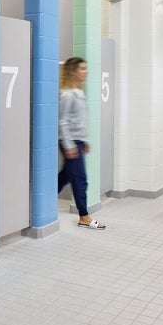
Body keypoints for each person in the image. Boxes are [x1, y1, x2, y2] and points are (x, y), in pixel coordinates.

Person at [57, 57, 106, 229]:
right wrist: (69, 145)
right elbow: (62, 121)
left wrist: (84, 140)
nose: (85, 72)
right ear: (73, 71)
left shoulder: (78, 92)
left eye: (86, 68)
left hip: (77, 141)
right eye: (82, 69)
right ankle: (84, 216)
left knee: (66, 176)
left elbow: (79, 120)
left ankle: (44, 199)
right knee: (80, 179)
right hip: (69, 142)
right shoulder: (67, 94)